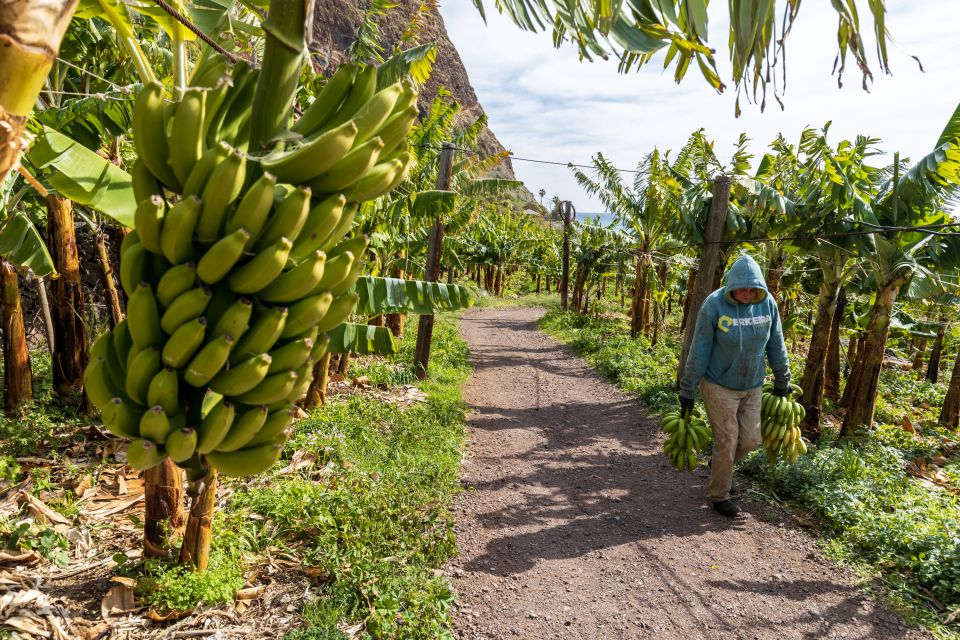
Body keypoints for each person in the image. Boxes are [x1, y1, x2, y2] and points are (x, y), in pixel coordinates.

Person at [678, 255, 790, 517]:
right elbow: (700, 349)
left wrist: (782, 379)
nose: (748, 294)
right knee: (727, 441)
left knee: (751, 440)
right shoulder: (713, 306)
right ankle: (719, 495)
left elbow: (776, 343)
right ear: (731, 284)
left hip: (752, 384)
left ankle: (721, 468)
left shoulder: (767, 305)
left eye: (753, 289)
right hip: (718, 384)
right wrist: (688, 388)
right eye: (742, 288)